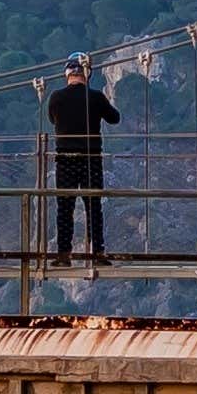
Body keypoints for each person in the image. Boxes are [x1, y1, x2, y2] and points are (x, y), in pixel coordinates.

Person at [42, 63, 121, 257]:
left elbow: (53, 119)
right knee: (94, 207)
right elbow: (114, 118)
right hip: (90, 159)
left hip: (65, 159)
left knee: (65, 208)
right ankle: (98, 252)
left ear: (67, 76)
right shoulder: (95, 97)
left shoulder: (56, 97)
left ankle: (63, 254)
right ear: (86, 76)